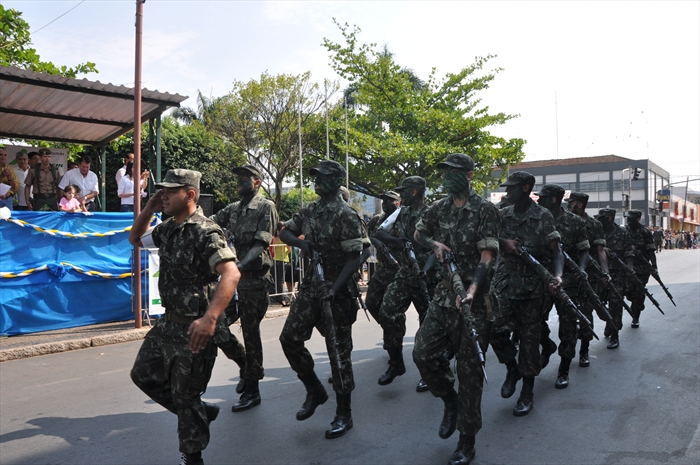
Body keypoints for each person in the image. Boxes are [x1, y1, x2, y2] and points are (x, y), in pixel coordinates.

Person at [129, 169, 239, 465]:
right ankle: (201, 411)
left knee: (185, 396)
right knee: (142, 375)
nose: (163, 195)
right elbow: (135, 238)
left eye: (170, 191)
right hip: (168, 323)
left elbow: (231, 272)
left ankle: (192, 457)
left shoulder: (206, 231)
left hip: (194, 327)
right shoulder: (168, 228)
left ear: (190, 195)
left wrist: (210, 319)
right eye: (161, 191)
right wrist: (149, 208)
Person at [412, 153, 500, 465]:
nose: (447, 178)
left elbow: (487, 255)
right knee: (422, 354)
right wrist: (432, 245)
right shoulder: (439, 207)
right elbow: (419, 232)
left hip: (475, 301)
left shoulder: (486, 209)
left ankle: (467, 440)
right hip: (444, 296)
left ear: (470, 175)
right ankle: (450, 400)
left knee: (470, 371)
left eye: (454, 172)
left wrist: (473, 290)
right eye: (445, 173)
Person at [278, 160, 364, 439]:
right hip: (311, 287)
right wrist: (301, 242)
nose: (316, 181)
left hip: (337, 292)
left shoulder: (346, 214)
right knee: (289, 338)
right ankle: (314, 389)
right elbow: (284, 231)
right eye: (315, 176)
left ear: (337, 179)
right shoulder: (311, 210)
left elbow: (355, 257)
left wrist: (335, 288)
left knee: (339, 353)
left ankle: (345, 413)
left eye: (323, 177)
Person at [489, 171, 563, 417]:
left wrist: (558, 276)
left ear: (525, 188)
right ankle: (512, 367)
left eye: (511, 187)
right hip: (506, 281)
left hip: (533, 286)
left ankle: (527, 392)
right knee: (494, 329)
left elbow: (556, 251)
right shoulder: (503, 214)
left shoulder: (543, 216)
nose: (507, 191)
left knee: (530, 341)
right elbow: (487, 237)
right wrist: (504, 243)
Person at [209, 164, 278, 412]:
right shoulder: (234, 209)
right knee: (216, 326)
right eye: (237, 177)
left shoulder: (265, 206)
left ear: (257, 182)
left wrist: (239, 265)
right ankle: (244, 365)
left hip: (253, 280)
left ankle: (253, 389)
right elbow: (210, 223)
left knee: (250, 332)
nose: (239, 181)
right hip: (234, 278)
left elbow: (261, 243)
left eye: (244, 178)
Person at [373, 176, 437, 391]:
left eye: (404, 191)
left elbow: (440, 247)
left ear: (415, 192)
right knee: (387, 312)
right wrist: (396, 242)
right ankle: (396, 363)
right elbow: (379, 231)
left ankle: (428, 371)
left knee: (427, 324)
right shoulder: (402, 213)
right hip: (405, 273)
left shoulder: (432, 214)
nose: (401, 196)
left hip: (428, 277)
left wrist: (426, 271)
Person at [536, 185, 590, 389]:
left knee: (568, 327)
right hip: (541, 279)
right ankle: (547, 346)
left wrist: (581, 270)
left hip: (568, 281)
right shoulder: (538, 218)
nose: (539, 201)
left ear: (554, 199)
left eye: (543, 198)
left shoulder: (574, 222)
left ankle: (564, 369)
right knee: (534, 320)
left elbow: (584, 250)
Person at [566, 192, 610, 367]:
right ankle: (566, 356)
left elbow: (600, 251)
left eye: (571, 203)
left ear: (580, 205)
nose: (568, 206)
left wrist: (605, 272)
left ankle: (584, 350)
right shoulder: (565, 221)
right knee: (568, 316)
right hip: (568, 274)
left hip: (588, 276)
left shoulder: (595, 225)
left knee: (586, 312)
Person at [597, 208, 634, 348]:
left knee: (615, 304)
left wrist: (629, 269)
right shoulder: (597, 232)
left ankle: (614, 334)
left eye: (601, 218)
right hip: (599, 274)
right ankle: (608, 320)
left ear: (609, 218)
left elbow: (629, 253)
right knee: (597, 304)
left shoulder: (623, 234)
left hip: (617, 275)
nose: (598, 220)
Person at [363, 191, 401, 323]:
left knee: (393, 308)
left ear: (397, 203)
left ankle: (394, 330)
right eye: (383, 201)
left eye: (388, 201)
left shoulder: (402, 219)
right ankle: (388, 326)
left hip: (397, 269)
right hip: (382, 269)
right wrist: (377, 243)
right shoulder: (376, 220)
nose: (385, 204)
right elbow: (367, 237)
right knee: (371, 303)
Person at [625, 209, 656, 328]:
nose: (629, 220)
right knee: (628, 292)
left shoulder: (645, 232)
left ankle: (635, 316)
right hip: (628, 267)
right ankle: (636, 304)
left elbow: (651, 250)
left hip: (642, 268)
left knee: (639, 292)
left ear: (638, 219)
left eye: (631, 218)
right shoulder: (624, 231)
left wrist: (654, 266)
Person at [271, 222, 292, 305]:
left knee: (276, 279)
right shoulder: (284, 238)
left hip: (276, 259)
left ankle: (276, 296)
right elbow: (289, 250)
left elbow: (272, 250)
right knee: (281, 280)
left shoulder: (275, 238)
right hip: (283, 259)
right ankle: (281, 297)